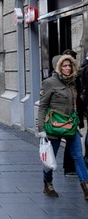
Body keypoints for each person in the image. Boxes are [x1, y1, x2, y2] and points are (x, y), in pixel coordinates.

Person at [36, 54, 88, 199]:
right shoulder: (49, 83)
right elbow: (42, 106)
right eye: (64, 66)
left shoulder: (72, 82)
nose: (67, 68)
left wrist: (79, 122)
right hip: (54, 126)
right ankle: (48, 184)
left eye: (69, 65)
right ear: (59, 67)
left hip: (71, 125)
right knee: (51, 158)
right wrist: (41, 129)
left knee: (78, 157)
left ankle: (86, 188)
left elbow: (75, 105)